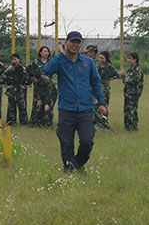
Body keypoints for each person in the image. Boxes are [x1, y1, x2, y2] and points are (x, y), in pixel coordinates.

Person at [43, 31, 106, 171]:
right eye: (72, 42)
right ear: (66, 42)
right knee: (66, 142)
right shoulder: (60, 61)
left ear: (81, 44)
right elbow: (46, 70)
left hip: (85, 109)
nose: (75, 45)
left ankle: (76, 165)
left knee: (87, 141)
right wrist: (61, 55)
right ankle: (70, 170)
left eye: (78, 42)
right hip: (67, 109)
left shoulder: (88, 62)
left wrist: (101, 102)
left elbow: (96, 82)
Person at [29, 45, 55, 127]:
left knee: (47, 103)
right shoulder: (35, 62)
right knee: (38, 103)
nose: (46, 53)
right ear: (40, 52)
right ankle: (36, 121)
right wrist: (32, 78)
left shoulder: (51, 62)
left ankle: (46, 122)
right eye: (44, 51)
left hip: (48, 85)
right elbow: (28, 70)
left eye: (47, 51)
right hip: (38, 85)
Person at [2, 53, 29, 126]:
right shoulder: (8, 69)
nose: (13, 61)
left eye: (15, 59)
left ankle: (24, 123)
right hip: (11, 92)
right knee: (11, 108)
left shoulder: (23, 69)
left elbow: (28, 79)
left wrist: (25, 86)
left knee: (22, 108)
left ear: (18, 60)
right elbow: (2, 78)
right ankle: (11, 122)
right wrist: (6, 86)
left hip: (21, 92)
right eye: (12, 59)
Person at [120, 52, 143, 131]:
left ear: (135, 59)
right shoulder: (130, 69)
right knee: (127, 110)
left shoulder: (137, 70)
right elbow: (125, 82)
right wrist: (123, 77)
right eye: (128, 58)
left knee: (132, 110)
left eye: (130, 58)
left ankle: (133, 127)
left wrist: (125, 76)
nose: (128, 60)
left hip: (134, 93)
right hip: (127, 93)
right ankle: (127, 127)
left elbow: (134, 80)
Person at [96, 51, 119, 129]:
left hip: (105, 89)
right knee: (97, 106)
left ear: (106, 58)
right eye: (100, 58)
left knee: (104, 105)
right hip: (98, 88)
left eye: (102, 58)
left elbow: (118, 75)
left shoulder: (109, 66)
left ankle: (105, 124)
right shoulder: (99, 66)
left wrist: (110, 79)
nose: (101, 60)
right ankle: (99, 123)